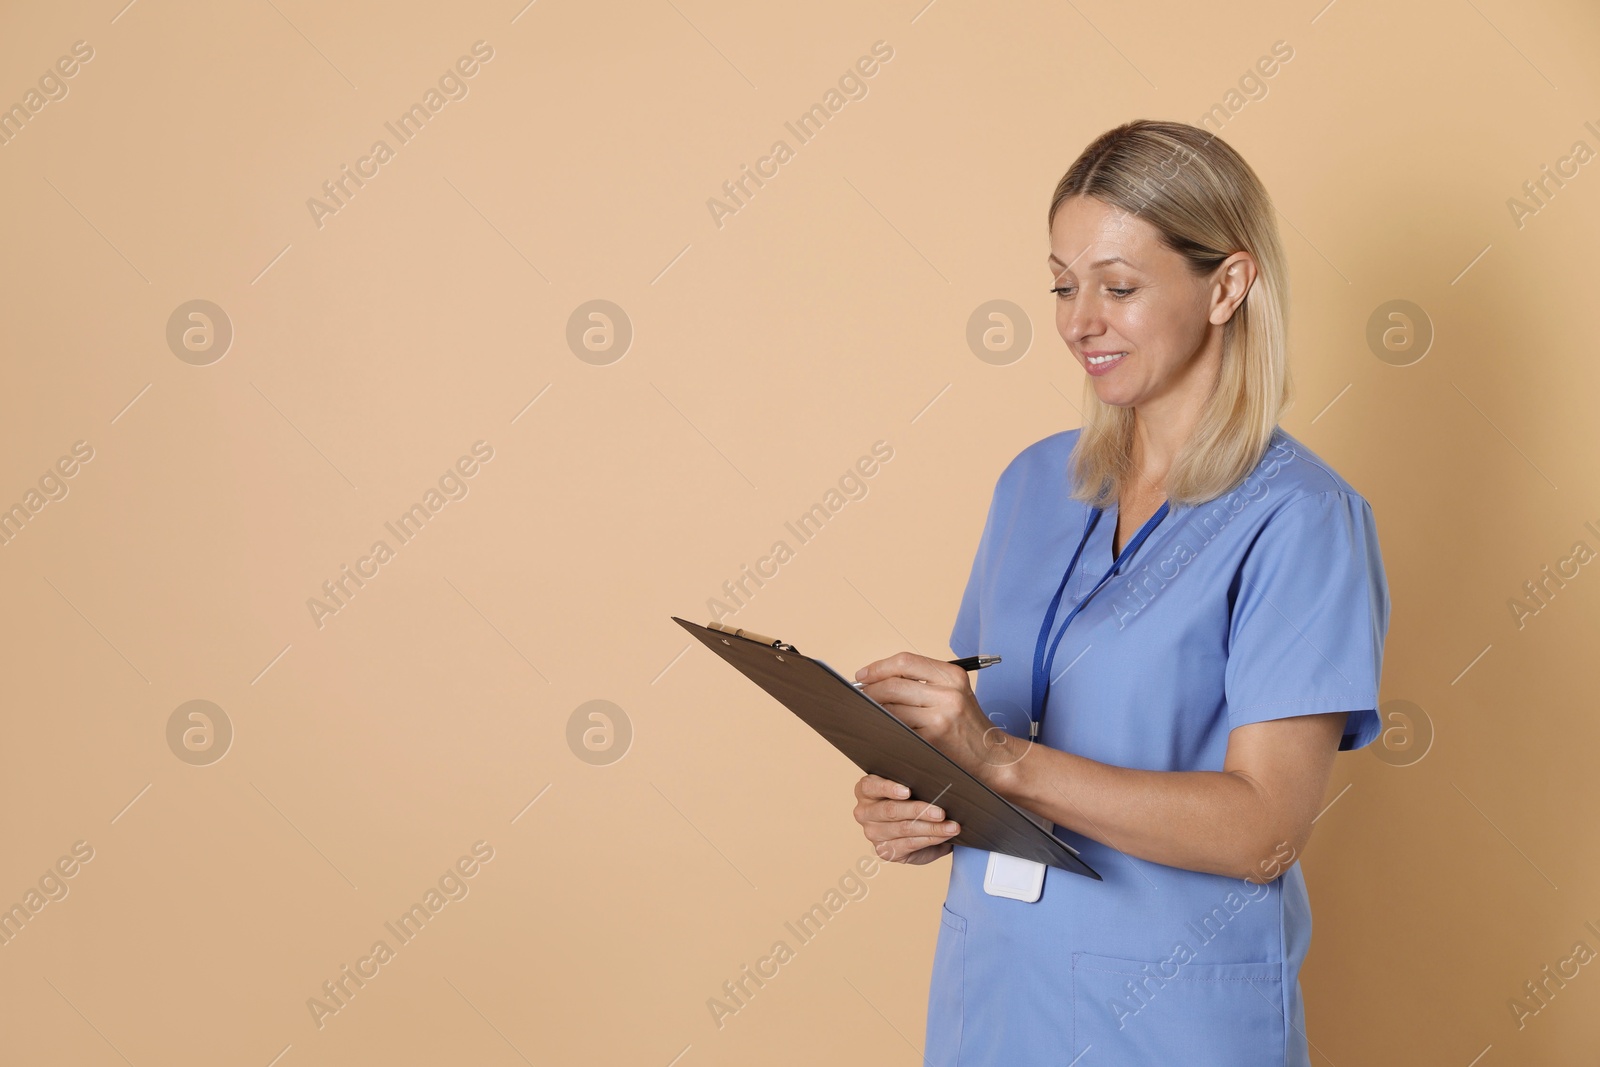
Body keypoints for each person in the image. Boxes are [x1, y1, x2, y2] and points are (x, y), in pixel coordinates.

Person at [850, 119, 1390, 1066]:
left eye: (1119, 286)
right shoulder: (1032, 483)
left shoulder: (1300, 519)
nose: (1077, 320)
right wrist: (921, 795)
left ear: (1227, 284)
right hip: (996, 999)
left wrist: (1000, 759)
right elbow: (977, 738)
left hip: (1170, 1021)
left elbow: (1264, 831)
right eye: (1062, 284)